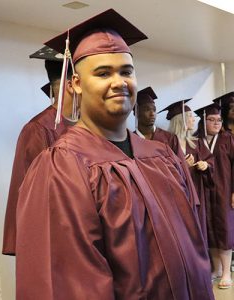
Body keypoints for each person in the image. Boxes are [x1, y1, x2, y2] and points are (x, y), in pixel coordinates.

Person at [15, 9, 214, 299]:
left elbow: (195, 242)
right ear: (76, 84)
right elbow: (68, 284)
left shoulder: (163, 156)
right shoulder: (62, 167)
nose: (119, 82)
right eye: (103, 73)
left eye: (126, 71)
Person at [2, 47, 76, 256]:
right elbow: (26, 191)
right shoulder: (38, 129)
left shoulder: (90, 127)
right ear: (71, 85)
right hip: (57, 239)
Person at [160, 99, 214, 246]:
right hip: (177, 194)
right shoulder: (165, 143)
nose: (193, 119)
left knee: (197, 228)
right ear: (181, 120)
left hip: (195, 191)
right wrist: (183, 165)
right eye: (190, 116)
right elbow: (161, 170)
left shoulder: (196, 142)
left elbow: (211, 161)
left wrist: (206, 165)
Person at [194, 103, 234, 289]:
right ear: (203, 121)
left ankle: (226, 272)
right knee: (209, 228)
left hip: (225, 191)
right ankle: (216, 269)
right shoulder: (196, 140)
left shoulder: (228, 138)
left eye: (219, 120)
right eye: (212, 119)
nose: (217, 123)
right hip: (205, 191)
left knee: (225, 228)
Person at [134, 86, 184, 158]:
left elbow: (181, 166)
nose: (152, 114)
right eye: (147, 109)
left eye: (154, 110)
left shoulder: (170, 138)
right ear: (136, 112)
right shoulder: (130, 141)